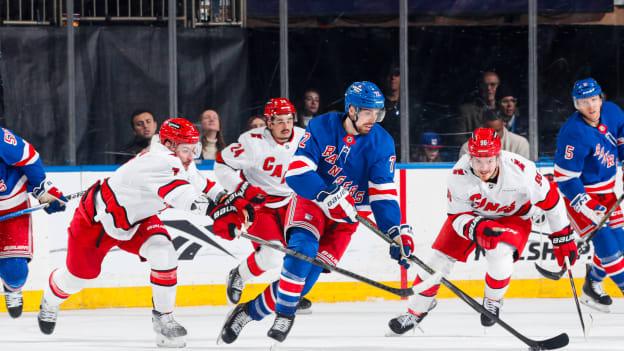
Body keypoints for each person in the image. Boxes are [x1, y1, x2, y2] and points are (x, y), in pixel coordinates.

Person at [217, 81, 415, 344]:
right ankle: (286, 314)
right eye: (368, 112)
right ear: (352, 110)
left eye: (378, 112)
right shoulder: (322, 125)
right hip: (313, 202)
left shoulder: (382, 142)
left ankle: (249, 312)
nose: (374, 118)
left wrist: (395, 231)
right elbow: (297, 171)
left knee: (303, 281)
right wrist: (325, 194)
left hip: (345, 218)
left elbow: (382, 192)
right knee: (301, 252)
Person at [37, 118, 254, 347]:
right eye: (186, 149)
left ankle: (164, 320)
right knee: (77, 278)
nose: (192, 156)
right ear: (170, 145)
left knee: (164, 251)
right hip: (97, 221)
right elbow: (184, 198)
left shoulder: (180, 160)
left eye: (194, 148)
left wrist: (230, 199)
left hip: (138, 220)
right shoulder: (158, 162)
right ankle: (50, 301)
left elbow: (201, 184)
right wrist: (217, 213)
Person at [386, 128, 577, 336]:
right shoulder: (458, 175)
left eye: (489, 160)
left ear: (498, 156)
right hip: (471, 216)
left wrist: (562, 235)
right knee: (438, 261)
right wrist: (475, 227)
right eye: (477, 161)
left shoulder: (522, 170)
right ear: (470, 157)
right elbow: (457, 216)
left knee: (500, 255)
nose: (483, 167)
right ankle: (416, 311)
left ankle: (493, 300)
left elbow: (552, 201)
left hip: (513, 218)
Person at [215, 97, 312, 312]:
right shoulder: (252, 143)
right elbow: (222, 163)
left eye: (289, 120)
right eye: (279, 121)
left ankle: (289, 292)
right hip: (260, 204)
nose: (286, 126)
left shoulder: (303, 137)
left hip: (291, 201)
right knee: (273, 255)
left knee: (302, 249)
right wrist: (242, 189)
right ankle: (239, 275)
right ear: (268, 122)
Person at [554, 77, 624, 313]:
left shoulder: (613, 112)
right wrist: (586, 206)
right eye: (584, 102)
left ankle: (592, 284)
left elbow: (622, 141)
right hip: (582, 197)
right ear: (576, 104)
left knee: (621, 245)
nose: (591, 107)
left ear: (600, 98)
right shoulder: (572, 133)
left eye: (594, 99)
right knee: (608, 247)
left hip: (607, 192)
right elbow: (565, 178)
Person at [0, 128, 68, 319]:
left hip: (10, 204)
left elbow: (29, 158)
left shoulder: (1, 139)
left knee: (15, 272)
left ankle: (11, 287)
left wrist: (42, 191)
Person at [458, 110, 529, 159]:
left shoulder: (520, 144)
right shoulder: (468, 148)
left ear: (503, 125)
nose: (494, 135)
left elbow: (523, 174)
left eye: (498, 131)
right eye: (490, 131)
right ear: (483, 127)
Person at [454, 71, 500, 145]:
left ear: (498, 86)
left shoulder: (506, 109)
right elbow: (459, 138)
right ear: (480, 86)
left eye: (492, 84)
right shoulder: (466, 111)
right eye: (485, 85)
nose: (488, 88)